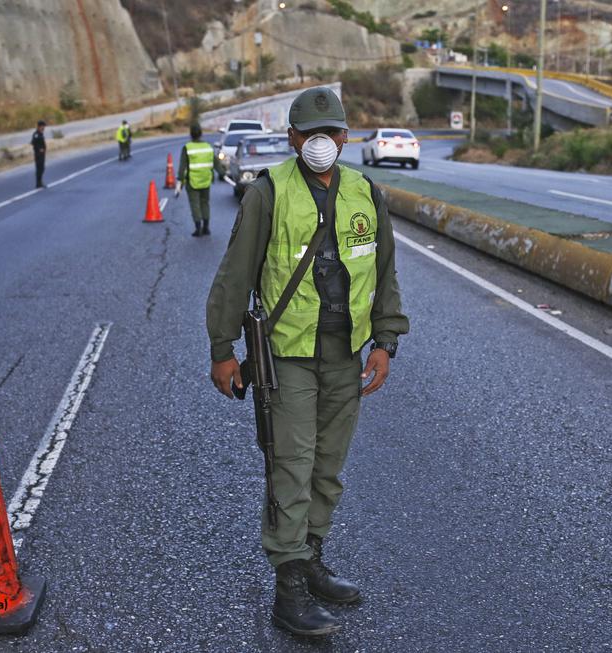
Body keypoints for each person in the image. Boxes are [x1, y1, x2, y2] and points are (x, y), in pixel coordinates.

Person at [205, 87, 409, 636]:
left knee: (327, 468)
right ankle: (287, 586)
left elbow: (384, 273)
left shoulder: (367, 192)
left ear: (345, 137)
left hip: (345, 354)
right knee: (290, 466)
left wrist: (386, 342)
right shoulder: (268, 193)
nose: (322, 144)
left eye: (331, 134)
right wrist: (223, 350)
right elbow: (234, 275)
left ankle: (311, 556)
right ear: (293, 139)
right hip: (287, 355)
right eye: (310, 135)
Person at [175, 123, 225, 237]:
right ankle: (206, 228)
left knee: (195, 204)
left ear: (191, 134)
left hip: (192, 182)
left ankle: (198, 228)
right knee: (205, 203)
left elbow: (182, 166)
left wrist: (179, 181)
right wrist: (222, 174)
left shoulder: (187, 148)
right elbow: (216, 163)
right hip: (206, 181)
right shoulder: (208, 147)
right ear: (201, 133)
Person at [31, 120, 47, 188]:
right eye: (43, 126)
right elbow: (33, 143)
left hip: (42, 154)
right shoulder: (36, 134)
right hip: (38, 154)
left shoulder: (41, 134)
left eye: (44, 126)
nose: (44, 128)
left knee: (42, 168)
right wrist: (39, 149)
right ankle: (38, 183)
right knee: (39, 168)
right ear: (39, 126)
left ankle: (40, 182)